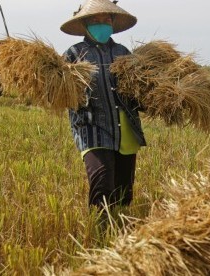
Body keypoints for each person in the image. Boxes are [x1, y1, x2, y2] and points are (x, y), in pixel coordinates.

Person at [60, 0, 146, 220]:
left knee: (123, 190)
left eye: (106, 19)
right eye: (95, 20)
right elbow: (59, 91)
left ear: (113, 22)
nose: (102, 24)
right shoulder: (73, 55)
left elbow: (139, 88)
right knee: (102, 184)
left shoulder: (123, 53)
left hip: (125, 129)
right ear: (85, 24)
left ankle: (121, 232)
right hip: (92, 128)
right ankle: (100, 234)